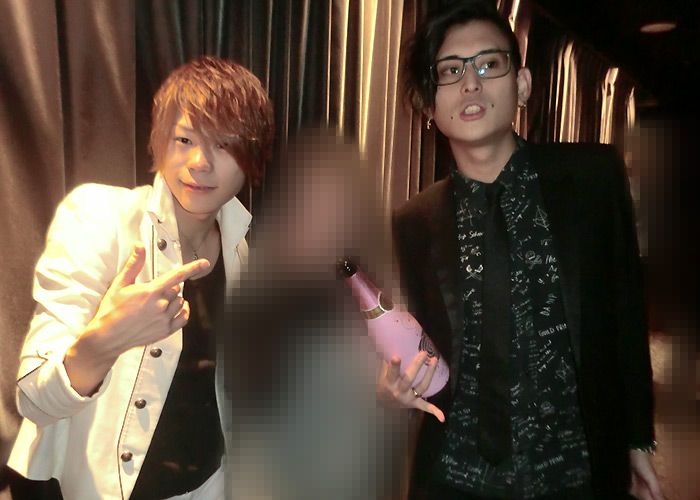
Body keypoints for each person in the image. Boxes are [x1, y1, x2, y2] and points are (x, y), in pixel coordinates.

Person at [382, 2, 662, 499]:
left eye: (489, 64)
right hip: (457, 476)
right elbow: (422, 347)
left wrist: (638, 438)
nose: (471, 84)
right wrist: (395, 387)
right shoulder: (413, 221)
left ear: (523, 85)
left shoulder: (592, 178)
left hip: (574, 472)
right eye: (451, 71)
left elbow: (625, 313)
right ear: (429, 104)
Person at [6, 56, 274, 499]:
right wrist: (106, 339)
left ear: (252, 158)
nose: (200, 162)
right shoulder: (102, 218)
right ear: (159, 141)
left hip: (203, 487)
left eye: (224, 144)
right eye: (184, 139)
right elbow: (34, 399)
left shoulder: (244, 255)